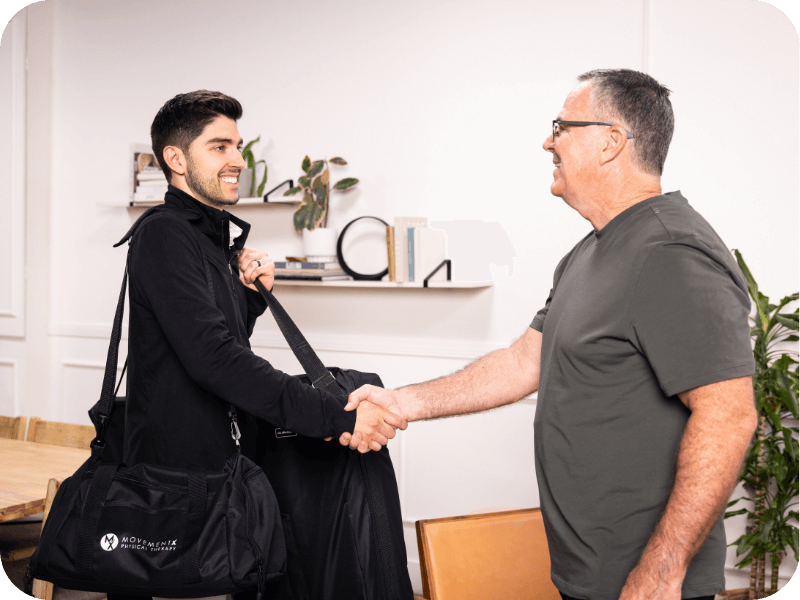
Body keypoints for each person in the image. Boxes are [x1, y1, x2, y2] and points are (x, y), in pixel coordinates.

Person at [342, 70, 758, 600]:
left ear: (611, 142)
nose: (547, 141)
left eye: (561, 126)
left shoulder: (670, 252)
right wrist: (402, 402)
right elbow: (523, 363)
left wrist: (662, 571)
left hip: (644, 583)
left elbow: (728, 414)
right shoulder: (591, 252)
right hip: (583, 574)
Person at [123, 89, 406, 472]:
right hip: (176, 482)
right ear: (176, 159)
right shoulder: (164, 235)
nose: (238, 161)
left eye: (237, 147)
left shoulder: (210, 239)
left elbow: (220, 342)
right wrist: (340, 416)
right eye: (220, 147)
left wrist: (250, 297)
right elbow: (216, 360)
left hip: (221, 470)